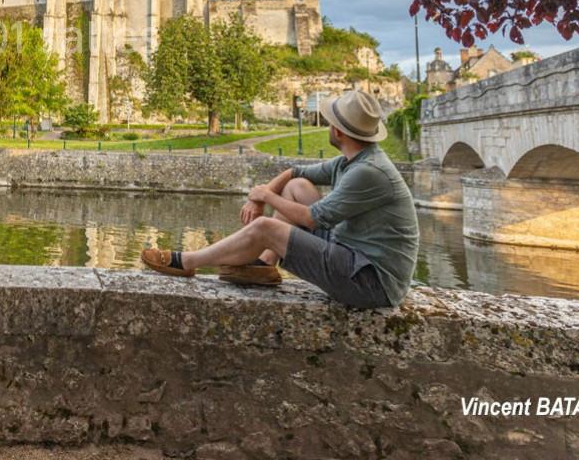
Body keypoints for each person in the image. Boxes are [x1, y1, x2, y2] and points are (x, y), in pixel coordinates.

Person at [140, 90, 420, 309]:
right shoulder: (354, 160)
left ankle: (186, 261)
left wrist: (266, 195)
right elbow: (294, 172)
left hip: (371, 283)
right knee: (297, 185)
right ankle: (263, 265)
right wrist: (259, 198)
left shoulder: (368, 172)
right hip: (354, 257)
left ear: (338, 131)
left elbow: (313, 218)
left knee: (266, 229)